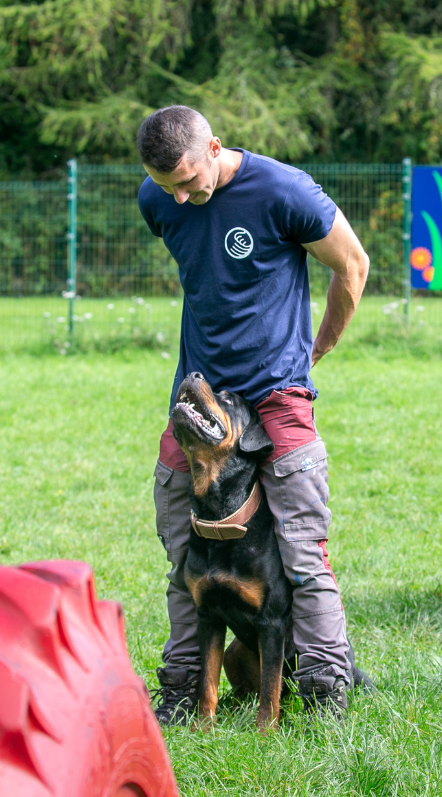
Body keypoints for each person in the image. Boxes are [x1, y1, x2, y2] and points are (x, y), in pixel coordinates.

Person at [137, 105, 370, 721]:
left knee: (302, 548)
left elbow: (352, 264)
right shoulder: (157, 201)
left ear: (215, 146)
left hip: (277, 395)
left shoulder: (283, 190)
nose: (182, 200)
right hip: (200, 401)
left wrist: (319, 346)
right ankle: (185, 695)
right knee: (183, 551)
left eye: (190, 182)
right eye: (169, 190)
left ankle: (325, 693)